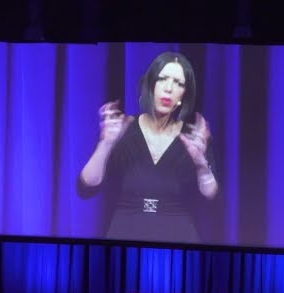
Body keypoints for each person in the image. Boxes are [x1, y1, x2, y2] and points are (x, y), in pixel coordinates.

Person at [76, 52, 218, 245]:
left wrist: (202, 166)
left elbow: (212, 198)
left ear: (184, 95)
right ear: (150, 84)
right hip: (124, 238)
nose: (168, 88)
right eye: (162, 79)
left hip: (179, 241)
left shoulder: (193, 138)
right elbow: (86, 188)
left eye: (178, 83)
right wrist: (106, 143)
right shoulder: (121, 128)